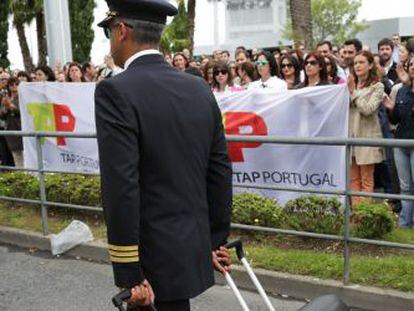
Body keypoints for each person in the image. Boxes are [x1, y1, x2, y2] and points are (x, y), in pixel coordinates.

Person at [95, 1, 232, 310]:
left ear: (122, 31)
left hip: (149, 258)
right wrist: (213, 240)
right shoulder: (198, 88)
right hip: (189, 247)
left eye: (109, 31)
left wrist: (129, 270)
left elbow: (121, 185)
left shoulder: (115, 91)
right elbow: (220, 168)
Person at [347, 51, 385, 206]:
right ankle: (356, 218)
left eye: (361, 62)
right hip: (351, 138)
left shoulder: (377, 86)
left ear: (370, 65)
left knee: (367, 181)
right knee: (353, 180)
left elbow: (368, 109)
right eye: (355, 63)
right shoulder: (351, 86)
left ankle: (364, 217)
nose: (357, 66)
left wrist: (353, 92)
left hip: (367, 138)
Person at [383, 55, 414, 228]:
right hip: (401, 142)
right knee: (405, 187)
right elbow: (396, 119)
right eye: (411, 64)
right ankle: (404, 224)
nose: (413, 67)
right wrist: (391, 109)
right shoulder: (401, 90)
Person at [0, 77, 23, 167]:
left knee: (24, 154)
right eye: (11, 84)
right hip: (11, 129)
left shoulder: (23, 97)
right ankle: (21, 175)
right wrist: (5, 108)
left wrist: (12, 107)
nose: (14, 86)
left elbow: (24, 112)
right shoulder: (6, 98)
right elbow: (1, 116)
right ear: (8, 86)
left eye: (16, 84)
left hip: (21, 128)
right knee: (16, 156)